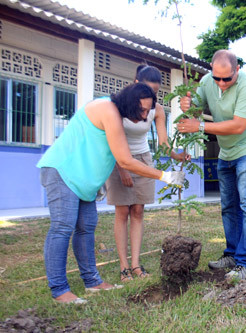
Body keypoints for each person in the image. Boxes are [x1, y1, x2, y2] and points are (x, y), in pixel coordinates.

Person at [37, 83, 184, 304]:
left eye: (148, 111)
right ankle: (59, 290)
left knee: (86, 228)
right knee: (63, 227)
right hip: (63, 171)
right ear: (129, 103)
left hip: (84, 181)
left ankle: (92, 281)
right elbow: (125, 159)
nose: (145, 117)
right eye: (142, 110)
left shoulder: (118, 113)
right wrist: (164, 176)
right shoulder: (108, 110)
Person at [178, 49, 246, 281]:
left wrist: (198, 126)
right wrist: (186, 105)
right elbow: (194, 109)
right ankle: (231, 254)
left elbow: (238, 126)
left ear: (237, 70)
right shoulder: (208, 82)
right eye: (217, 77)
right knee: (228, 206)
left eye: (227, 78)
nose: (221, 83)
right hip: (226, 152)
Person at [106, 65, 188, 282]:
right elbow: (110, 139)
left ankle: (135, 265)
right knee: (122, 212)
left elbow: (162, 144)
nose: (151, 96)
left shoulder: (157, 109)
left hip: (143, 159)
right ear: (135, 83)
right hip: (119, 159)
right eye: (147, 89)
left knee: (138, 212)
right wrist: (122, 168)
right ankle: (124, 267)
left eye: (155, 92)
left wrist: (178, 156)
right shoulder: (119, 105)